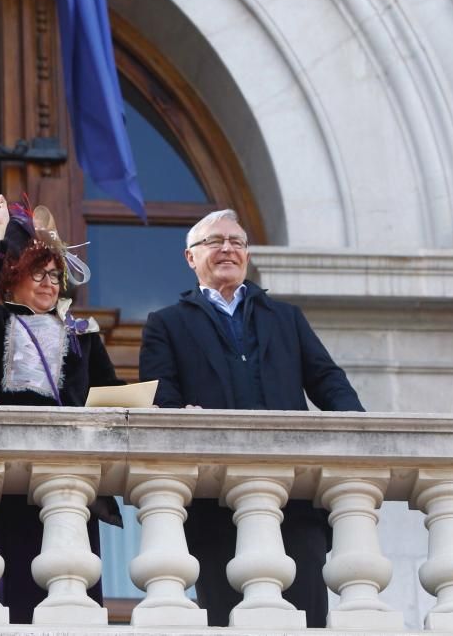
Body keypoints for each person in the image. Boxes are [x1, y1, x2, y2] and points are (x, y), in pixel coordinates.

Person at [137, 208, 364, 628]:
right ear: (191, 257)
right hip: (212, 505)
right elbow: (159, 398)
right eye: (215, 241)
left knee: (308, 620)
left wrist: (359, 434)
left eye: (237, 242)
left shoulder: (285, 317)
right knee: (227, 623)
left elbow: (329, 382)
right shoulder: (166, 324)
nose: (228, 249)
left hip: (294, 500)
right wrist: (176, 416)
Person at [0, 192, 124, 623]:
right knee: (9, 590)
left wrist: (159, 406)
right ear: (13, 279)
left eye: (55, 275)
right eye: (39, 274)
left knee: (72, 592)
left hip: (70, 475)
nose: (50, 283)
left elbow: (110, 392)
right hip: (4, 475)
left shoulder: (83, 334)